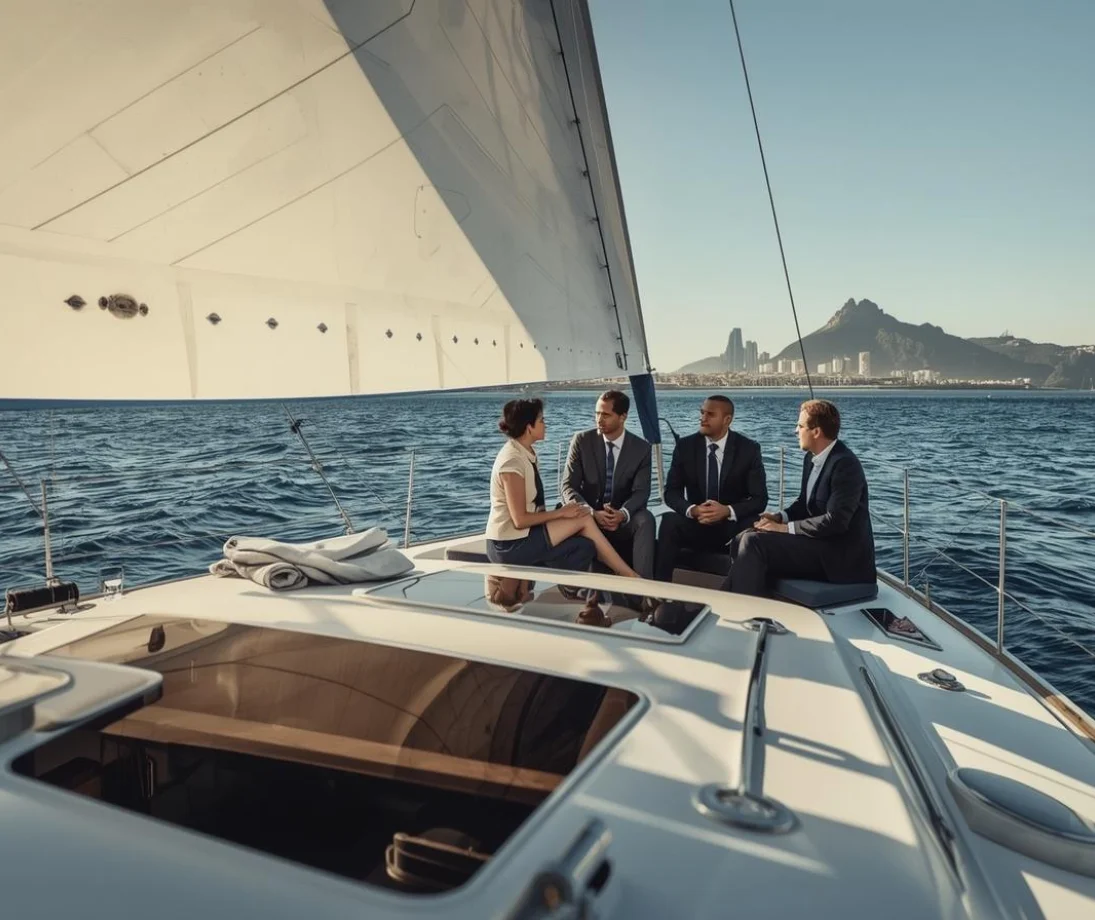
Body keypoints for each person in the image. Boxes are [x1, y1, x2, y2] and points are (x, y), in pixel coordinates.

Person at [722, 399, 875, 596]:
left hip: (839, 558)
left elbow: (836, 521)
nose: (796, 431)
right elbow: (804, 503)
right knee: (744, 535)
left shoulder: (845, 465)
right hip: (817, 544)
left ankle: (745, 608)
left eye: (800, 426)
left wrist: (784, 529)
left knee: (754, 543)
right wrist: (779, 517)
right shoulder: (811, 458)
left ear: (816, 432)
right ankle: (732, 599)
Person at [485, 398, 641, 578]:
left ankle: (605, 579)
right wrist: (561, 513)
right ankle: (629, 575)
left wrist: (564, 513)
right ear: (529, 427)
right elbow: (520, 520)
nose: (545, 425)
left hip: (523, 536)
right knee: (583, 517)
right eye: (541, 420)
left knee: (585, 543)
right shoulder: (512, 461)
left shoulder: (525, 453)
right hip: (508, 546)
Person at [654, 395, 768, 582]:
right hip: (696, 523)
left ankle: (741, 590)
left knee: (754, 523)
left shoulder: (748, 449)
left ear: (727, 420)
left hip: (730, 526)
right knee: (669, 521)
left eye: (710, 414)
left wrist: (727, 511)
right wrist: (693, 510)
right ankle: (659, 589)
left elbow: (760, 499)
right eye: (702, 412)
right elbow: (671, 492)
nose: (703, 418)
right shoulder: (685, 446)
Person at [562, 390, 655, 579]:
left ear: (623, 417)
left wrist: (622, 514)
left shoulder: (641, 448)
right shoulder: (582, 441)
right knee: (565, 511)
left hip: (621, 519)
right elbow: (568, 486)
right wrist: (591, 512)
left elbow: (641, 492)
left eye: (605, 414)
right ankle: (576, 583)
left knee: (646, 519)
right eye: (597, 413)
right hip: (587, 516)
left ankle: (643, 588)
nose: (599, 419)